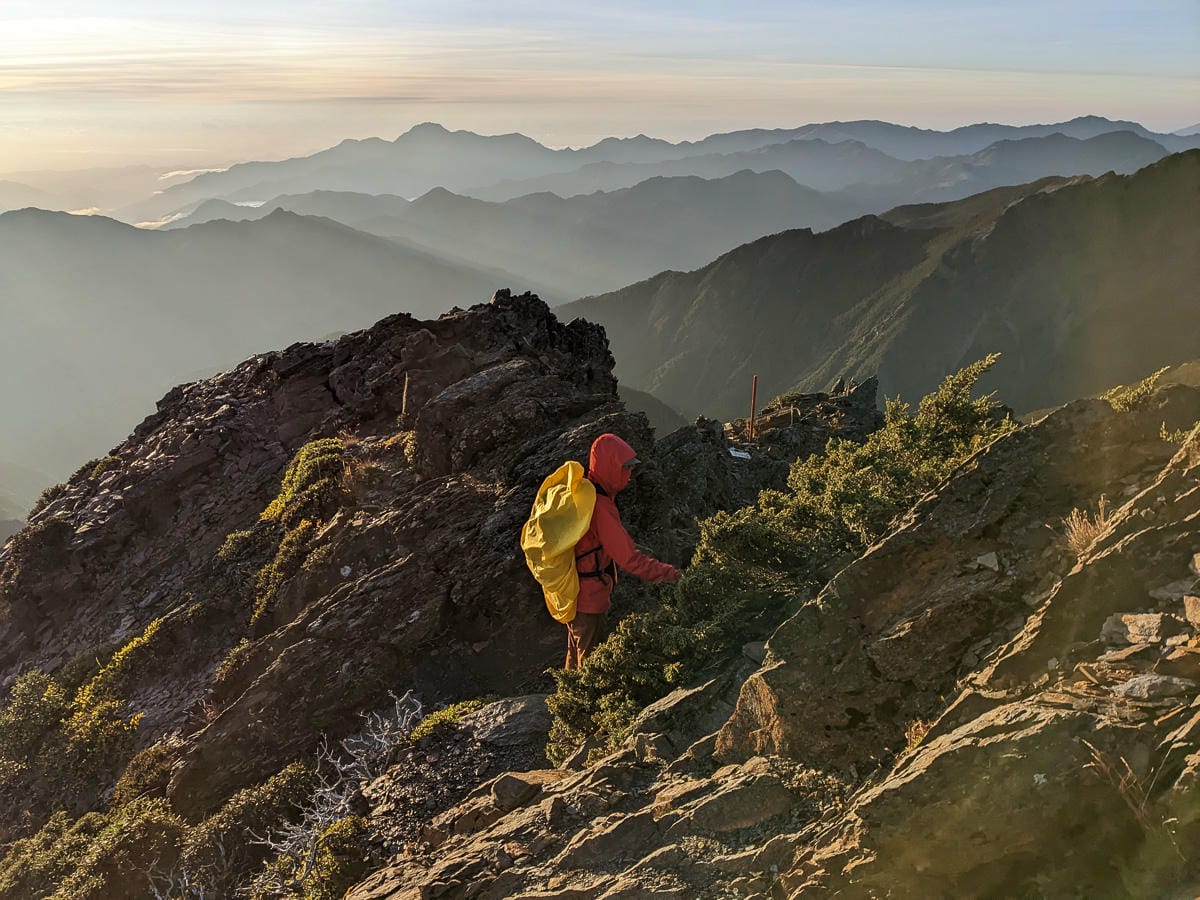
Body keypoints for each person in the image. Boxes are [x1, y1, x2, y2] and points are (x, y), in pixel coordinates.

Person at [566, 433, 680, 669]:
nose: (629, 473)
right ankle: (584, 694)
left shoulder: (585, 492)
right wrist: (671, 574)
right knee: (591, 665)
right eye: (624, 467)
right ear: (609, 467)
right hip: (588, 597)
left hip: (572, 592)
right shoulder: (600, 507)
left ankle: (567, 691)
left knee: (576, 653)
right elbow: (629, 558)